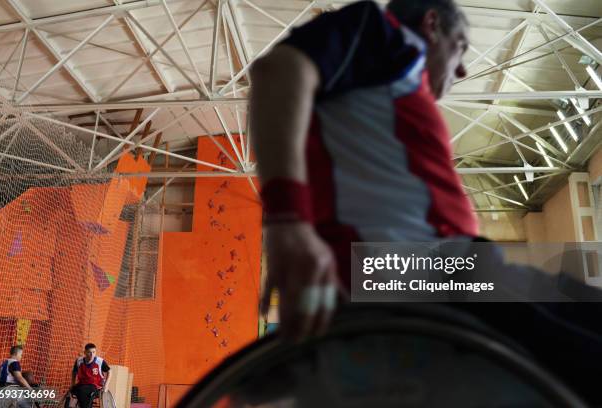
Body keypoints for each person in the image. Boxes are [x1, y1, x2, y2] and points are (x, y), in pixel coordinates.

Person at [250, 0, 602, 404]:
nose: (464, 69)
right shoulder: (384, 36)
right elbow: (277, 71)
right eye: (459, 46)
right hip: (422, 268)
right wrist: (286, 222)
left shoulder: (383, 97)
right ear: (431, 24)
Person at [67, 344, 111, 408]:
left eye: (94, 352)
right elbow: (74, 372)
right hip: (82, 385)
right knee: (75, 391)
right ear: (85, 352)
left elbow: (110, 371)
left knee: (83, 392)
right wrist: (72, 383)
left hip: (96, 386)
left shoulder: (100, 361)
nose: (92, 354)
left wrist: (106, 385)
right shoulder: (79, 361)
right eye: (89, 352)